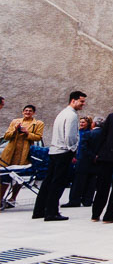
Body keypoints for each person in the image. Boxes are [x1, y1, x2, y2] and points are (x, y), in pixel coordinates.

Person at [33, 91, 86, 221]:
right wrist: (73, 149)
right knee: (58, 183)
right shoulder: (72, 116)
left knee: (48, 182)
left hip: (54, 151)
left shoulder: (62, 113)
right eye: (81, 101)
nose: (83, 104)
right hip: (63, 152)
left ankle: (39, 210)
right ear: (73, 100)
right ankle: (51, 212)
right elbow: (70, 136)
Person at [1, 105, 44, 208]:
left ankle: (13, 198)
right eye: (26, 110)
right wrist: (15, 131)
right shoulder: (15, 121)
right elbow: (6, 136)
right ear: (22, 112)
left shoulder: (38, 123)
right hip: (10, 152)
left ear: (33, 113)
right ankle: (1, 198)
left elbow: (38, 137)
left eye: (30, 111)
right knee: (4, 175)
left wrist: (27, 133)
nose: (27, 112)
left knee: (20, 177)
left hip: (25, 153)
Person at [62, 116, 97, 208]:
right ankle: (85, 200)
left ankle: (79, 200)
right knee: (80, 180)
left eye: (83, 122)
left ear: (88, 123)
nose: (81, 124)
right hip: (80, 158)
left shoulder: (88, 133)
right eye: (80, 122)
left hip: (83, 158)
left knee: (82, 180)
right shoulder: (78, 133)